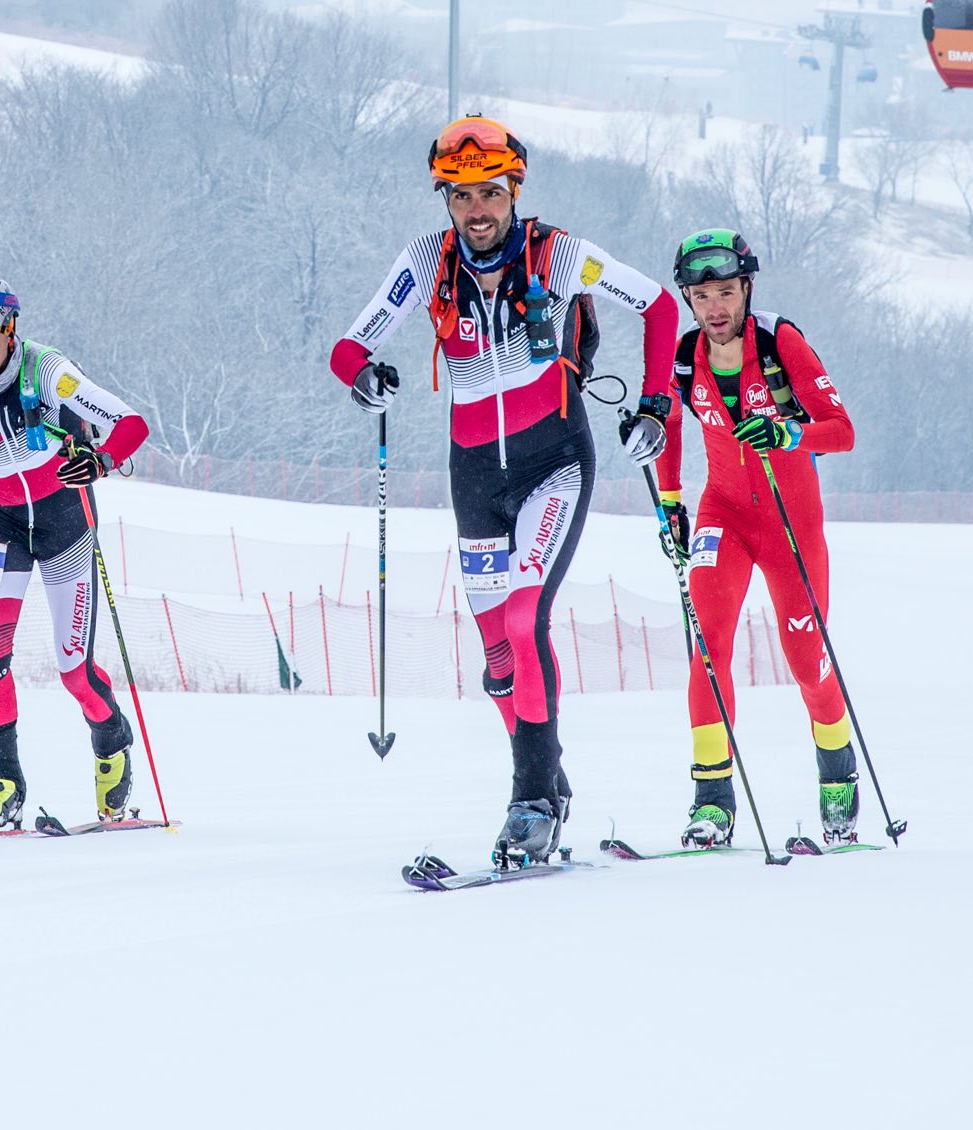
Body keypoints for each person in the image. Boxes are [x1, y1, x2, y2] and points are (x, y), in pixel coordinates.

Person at [328, 116, 677, 864]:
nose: (476, 209)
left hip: (555, 460)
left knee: (524, 620)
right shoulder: (427, 260)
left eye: (489, 191)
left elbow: (659, 306)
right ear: (444, 201)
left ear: (514, 188)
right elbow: (348, 347)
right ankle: (546, 769)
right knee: (496, 660)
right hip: (475, 476)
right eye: (460, 196)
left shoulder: (561, 254)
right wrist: (364, 376)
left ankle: (531, 802)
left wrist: (656, 406)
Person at [0, 276, 153, 831]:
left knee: (74, 672)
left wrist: (101, 461)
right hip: (1, 521)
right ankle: (3, 782)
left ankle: (112, 740)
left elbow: (132, 425)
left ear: (10, 329)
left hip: (65, 523)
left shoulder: (47, 370)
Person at [650, 228, 860, 846]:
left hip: (792, 526)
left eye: (724, 292)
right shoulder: (685, 354)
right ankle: (712, 799)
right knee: (708, 649)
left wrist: (790, 433)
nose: (714, 308)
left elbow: (842, 430)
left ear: (745, 289)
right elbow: (667, 429)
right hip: (724, 518)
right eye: (700, 295)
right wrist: (671, 507)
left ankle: (837, 775)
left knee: (806, 661)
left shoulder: (779, 341)